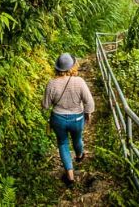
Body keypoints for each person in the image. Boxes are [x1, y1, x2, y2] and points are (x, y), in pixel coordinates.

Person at [42, 52, 95, 186]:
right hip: (77, 118)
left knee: (63, 144)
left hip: (58, 119)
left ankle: (70, 177)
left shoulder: (51, 84)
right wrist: (88, 114)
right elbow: (89, 101)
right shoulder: (79, 81)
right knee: (77, 139)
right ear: (72, 66)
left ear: (57, 68)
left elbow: (45, 106)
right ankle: (79, 156)